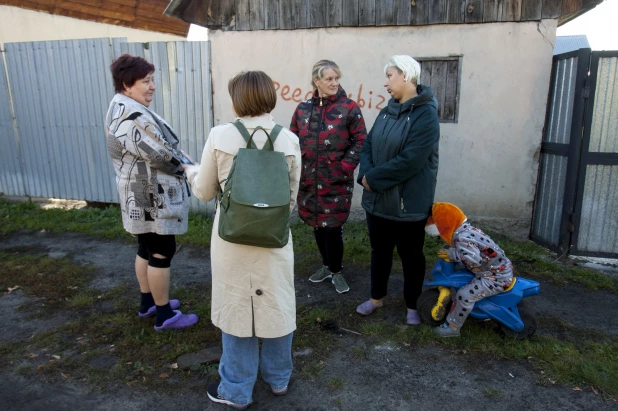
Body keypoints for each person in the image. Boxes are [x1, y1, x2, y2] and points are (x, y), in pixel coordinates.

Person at [183, 71, 301, 410]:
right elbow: (290, 199)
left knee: (236, 305)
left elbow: (205, 192)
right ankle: (278, 379)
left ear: (238, 99)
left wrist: (192, 171)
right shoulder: (289, 140)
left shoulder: (220, 136)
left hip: (231, 239)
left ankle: (235, 389)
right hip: (274, 237)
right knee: (277, 303)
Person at [104, 54, 198, 332]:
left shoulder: (120, 105)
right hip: (149, 189)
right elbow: (159, 154)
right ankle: (165, 314)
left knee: (145, 246)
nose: (152, 86)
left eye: (152, 80)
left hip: (139, 187)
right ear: (127, 84)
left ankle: (150, 303)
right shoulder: (132, 114)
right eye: (146, 81)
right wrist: (189, 170)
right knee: (161, 251)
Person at [355, 55, 440, 325]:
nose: (385, 83)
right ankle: (376, 298)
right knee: (379, 251)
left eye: (389, 76)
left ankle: (413, 306)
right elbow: (368, 145)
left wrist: (374, 179)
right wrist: (366, 175)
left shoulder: (426, 114)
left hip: (408, 204)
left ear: (406, 76)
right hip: (378, 200)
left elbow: (412, 160)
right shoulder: (387, 110)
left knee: (411, 256)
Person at [289, 60, 367, 294]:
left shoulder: (349, 108)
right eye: (329, 79)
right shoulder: (303, 109)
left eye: (336, 78)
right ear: (317, 81)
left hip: (335, 181)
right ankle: (326, 265)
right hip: (308, 181)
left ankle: (336, 270)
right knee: (316, 224)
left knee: (332, 228)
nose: (335, 83)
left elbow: (361, 140)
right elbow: (292, 140)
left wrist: (344, 167)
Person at [425, 202, 514, 337]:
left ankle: (452, 328)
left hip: (494, 277)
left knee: (464, 295)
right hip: (495, 269)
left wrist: (452, 254)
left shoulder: (462, 238)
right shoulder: (466, 230)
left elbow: (473, 259)